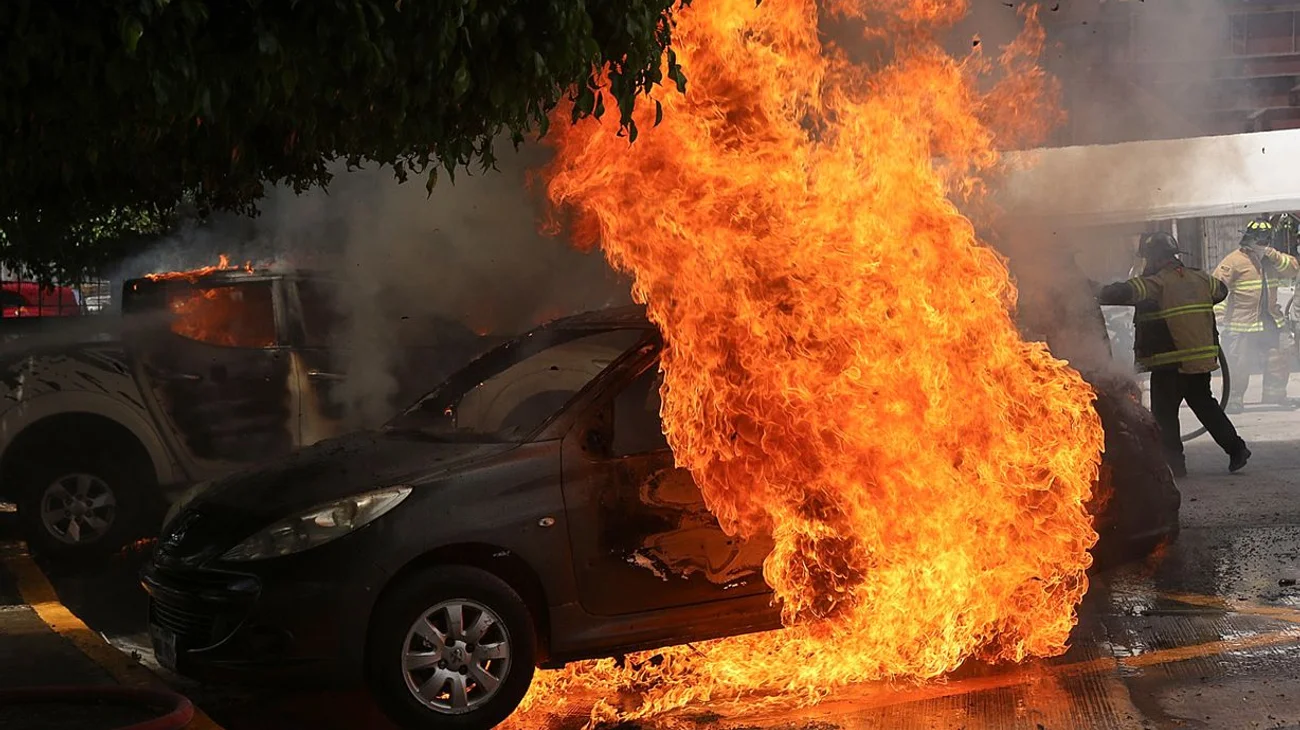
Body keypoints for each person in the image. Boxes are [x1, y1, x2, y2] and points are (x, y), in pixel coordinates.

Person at [1098, 232, 1249, 476]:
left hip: (1170, 363)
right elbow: (1221, 291)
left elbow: (1121, 293)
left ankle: (1175, 465)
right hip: (1200, 362)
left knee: (1165, 415)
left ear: (1155, 259)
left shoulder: (1157, 283)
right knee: (1206, 407)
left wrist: (1092, 290)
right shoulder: (1201, 278)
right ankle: (1237, 449)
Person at [1214, 216, 1300, 413]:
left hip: (1271, 320)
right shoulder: (1234, 261)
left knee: (1278, 358)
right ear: (1248, 240)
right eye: (1259, 241)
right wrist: (1218, 319)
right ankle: (1234, 398)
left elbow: (1293, 269)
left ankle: (1275, 394)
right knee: (1238, 363)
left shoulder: (1272, 260)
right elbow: (1217, 289)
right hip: (1242, 324)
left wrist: (1273, 254)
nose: (1262, 245)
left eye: (1266, 241)